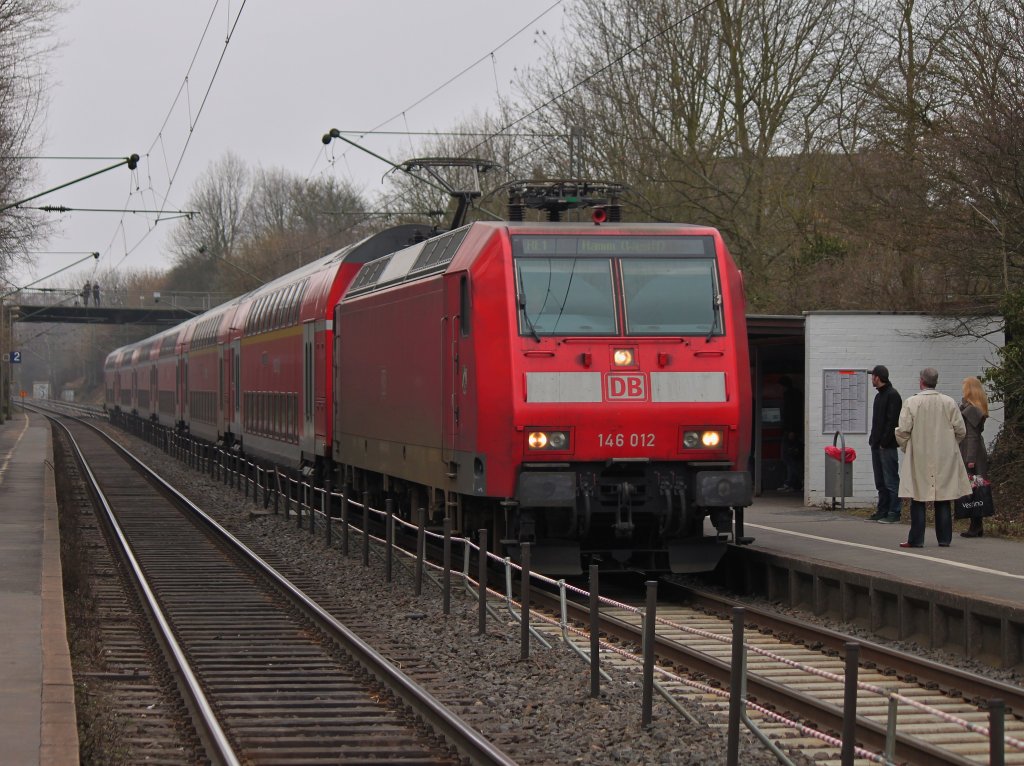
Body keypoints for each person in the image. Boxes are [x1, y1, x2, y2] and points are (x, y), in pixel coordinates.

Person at [895, 367, 971, 548]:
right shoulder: (949, 402)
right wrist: (950, 446)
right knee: (943, 497)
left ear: (921, 381)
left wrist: (908, 447)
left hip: (919, 455)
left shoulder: (912, 402)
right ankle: (944, 539)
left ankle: (916, 539)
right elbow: (961, 430)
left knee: (918, 497)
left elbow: (903, 430)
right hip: (944, 456)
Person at [867, 365, 902, 522]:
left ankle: (894, 512)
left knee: (891, 480)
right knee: (880, 480)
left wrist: (884, 441)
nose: (871, 379)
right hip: (877, 444)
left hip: (886, 446)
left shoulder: (892, 395)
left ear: (877, 377)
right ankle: (883, 509)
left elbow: (892, 421)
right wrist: (873, 440)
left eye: (872, 376)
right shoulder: (879, 396)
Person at [959, 376, 990, 538]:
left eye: (964, 387)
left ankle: (975, 526)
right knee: (977, 488)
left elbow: (972, 436)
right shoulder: (978, 408)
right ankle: (977, 525)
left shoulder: (970, 410)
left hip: (973, 456)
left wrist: (970, 459)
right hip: (978, 453)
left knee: (974, 489)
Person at [777, 375, 803, 492]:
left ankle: (793, 482)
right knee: (793, 457)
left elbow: (791, 414)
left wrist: (791, 430)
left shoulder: (789, 396)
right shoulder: (797, 394)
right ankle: (796, 482)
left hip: (790, 431)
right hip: (794, 430)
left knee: (787, 457)